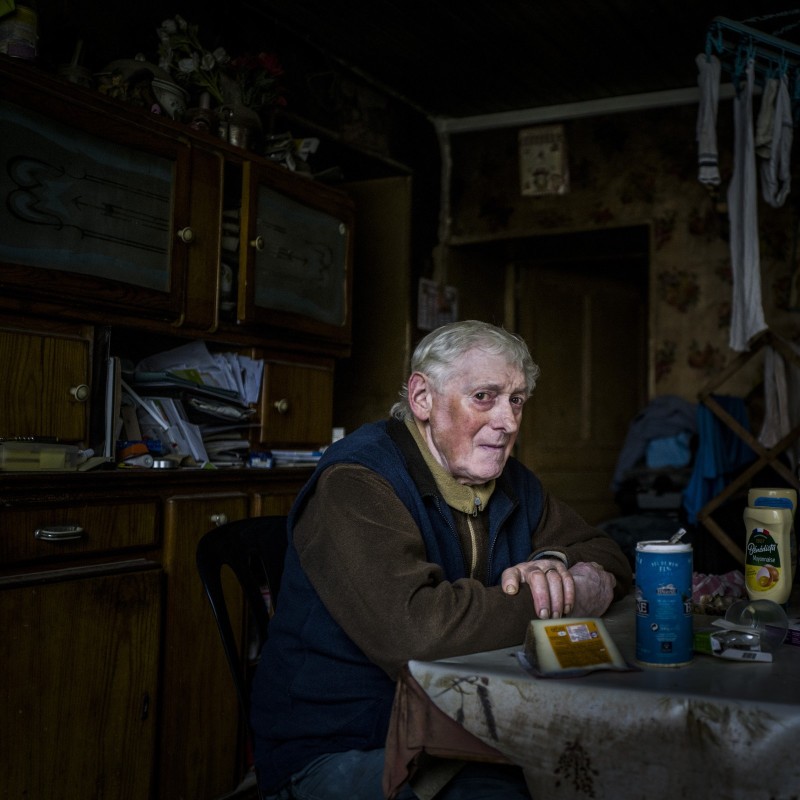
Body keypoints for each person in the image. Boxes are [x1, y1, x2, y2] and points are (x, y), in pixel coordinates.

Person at [251, 319, 633, 800]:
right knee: (518, 790)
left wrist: (556, 561)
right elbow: (419, 631)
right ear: (422, 399)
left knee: (598, 767)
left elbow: (606, 552)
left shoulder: (511, 481)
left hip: (460, 728)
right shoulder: (356, 483)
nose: (509, 421)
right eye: (484, 397)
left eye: (516, 400)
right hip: (345, 746)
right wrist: (566, 596)